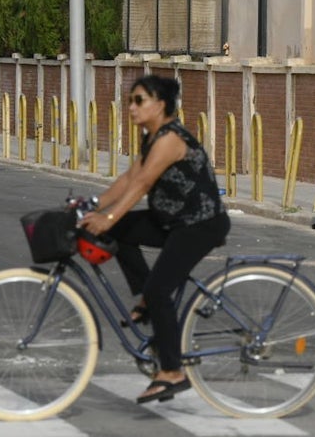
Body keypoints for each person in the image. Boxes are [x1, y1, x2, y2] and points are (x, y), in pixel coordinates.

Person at [78, 74, 230, 404]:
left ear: (159, 105)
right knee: (121, 234)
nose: (131, 107)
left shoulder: (170, 139)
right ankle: (148, 303)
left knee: (160, 289)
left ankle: (172, 371)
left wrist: (106, 218)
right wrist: (93, 205)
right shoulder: (152, 137)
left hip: (199, 225)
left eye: (139, 100)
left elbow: (143, 184)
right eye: (130, 100)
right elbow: (130, 177)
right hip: (172, 220)